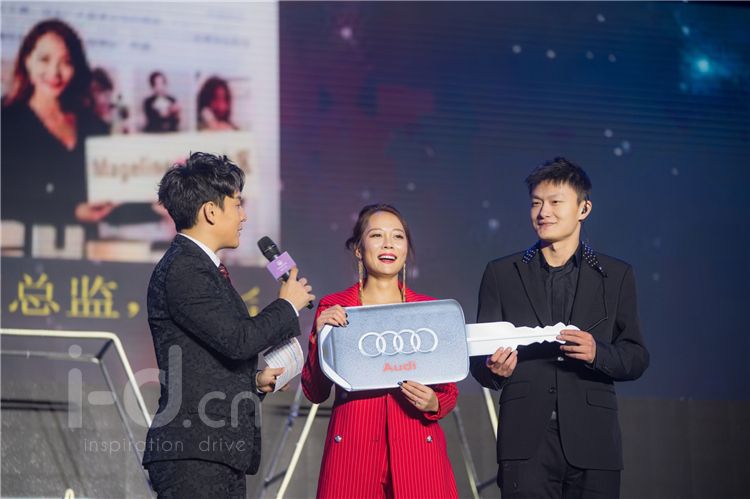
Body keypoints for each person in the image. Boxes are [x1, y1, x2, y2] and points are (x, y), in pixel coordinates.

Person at [470, 157, 649, 498]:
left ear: (584, 208)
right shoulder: (502, 273)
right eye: (536, 203)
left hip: (594, 442)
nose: (543, 212)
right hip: (525, 441)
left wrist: (598, 353)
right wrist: (494, 370)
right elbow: (479, 361)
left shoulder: (615, 275)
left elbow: (636, 356)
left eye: (555, 202)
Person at [142, 152, 315, 498]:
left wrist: (253, 382)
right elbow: (238, 340)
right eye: (237, 204)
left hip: (215, 453)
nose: (243, 215)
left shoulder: (200, 267)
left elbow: (207, 359)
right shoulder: (185, 268)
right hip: (194, 455)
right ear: (210, 211)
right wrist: (287, 306)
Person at [301, 203, 459, 498]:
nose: (388, 244)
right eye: (376, 235)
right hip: (353, 454)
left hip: (417, 452)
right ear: (358, 249)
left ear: (406, 248)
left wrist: (433, 402)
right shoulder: (335, 307)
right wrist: (319, 340)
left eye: (398, 236)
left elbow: (448, 391)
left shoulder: (429, 310)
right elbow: (315, 392)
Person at [1, 19, 112, 254]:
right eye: (44, 59)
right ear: (27, 61)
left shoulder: (92, 125)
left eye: (66, 62)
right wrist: (72, 212)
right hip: (20, 262)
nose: (55, 72)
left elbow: (111, 201)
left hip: (87, 261)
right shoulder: (6, 121)